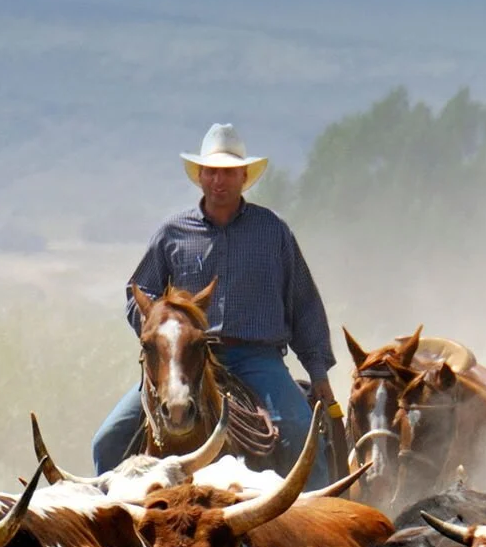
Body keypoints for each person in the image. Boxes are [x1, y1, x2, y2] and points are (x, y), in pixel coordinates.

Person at [90, 123, 335, 483]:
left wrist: (317, 372)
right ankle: (112, 533)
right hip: (185, 358)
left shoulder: (273, 231)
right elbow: (138, 293)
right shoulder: (173, 232)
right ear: (200, 177)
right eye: (212, 172)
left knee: (301, 432)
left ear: (244, 177)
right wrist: (164, 338)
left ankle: (320, 525)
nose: (219, 181)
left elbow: (303, 302)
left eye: (228, 173)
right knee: (107, 441)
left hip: (258, 358)